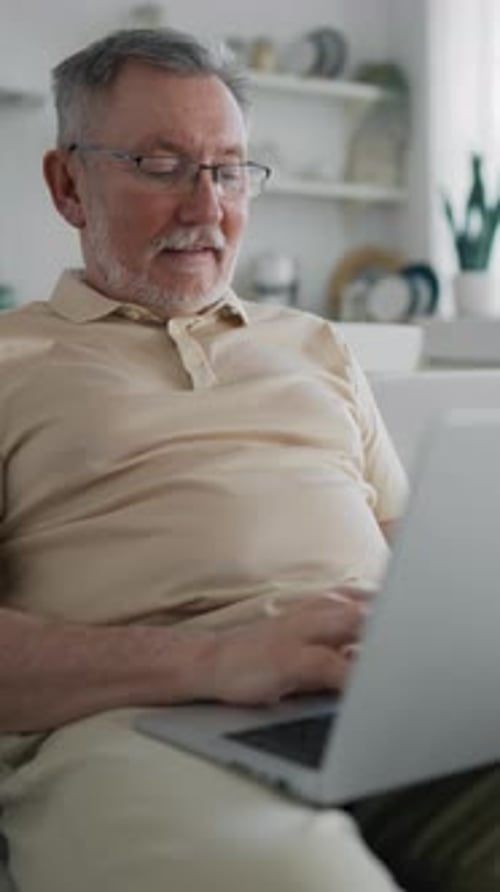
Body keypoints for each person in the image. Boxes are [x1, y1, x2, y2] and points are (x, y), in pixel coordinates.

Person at [0, 27, 497, 892]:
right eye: (160, 165)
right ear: (67, 183)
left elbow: (415, 563)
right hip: (138, 729)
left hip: (376, 712)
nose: (206, 208)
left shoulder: (317, 347)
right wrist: (219, 660)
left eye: (228, 169)